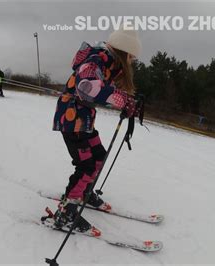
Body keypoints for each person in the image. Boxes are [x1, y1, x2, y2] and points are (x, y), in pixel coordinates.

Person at [51, 27, 141, 234]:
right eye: (132, 57)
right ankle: (66, 211)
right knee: (86, 165)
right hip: (72, 119)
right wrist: (120, 99)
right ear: (124, 51)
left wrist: (125, 100)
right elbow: (87, 86)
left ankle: (84, 192)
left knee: (99, 156)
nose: (132, 62)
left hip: (83, 120)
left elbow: (97, 91)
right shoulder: (97, 58)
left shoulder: (108, 62)